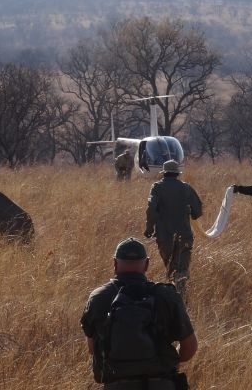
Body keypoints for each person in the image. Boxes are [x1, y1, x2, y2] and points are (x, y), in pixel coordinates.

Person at [81, 237, 198, 389]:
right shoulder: (166, 295)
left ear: (115, 264)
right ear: (147, 264)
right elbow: (189, 347)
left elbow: (92, 349)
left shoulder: (98, 298)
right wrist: (166, 359)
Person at [144, 160, 202, 299]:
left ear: (164, 173)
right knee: (182, 268)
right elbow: (198, 210)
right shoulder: (186, 188)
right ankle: (180, 297)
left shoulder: (157, 187)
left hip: (165, 236)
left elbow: (151, 208)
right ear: (177, 173)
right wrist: (192, 214)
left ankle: (174, 298)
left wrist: (149, 228)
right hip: (185, 235)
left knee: (170, 266)